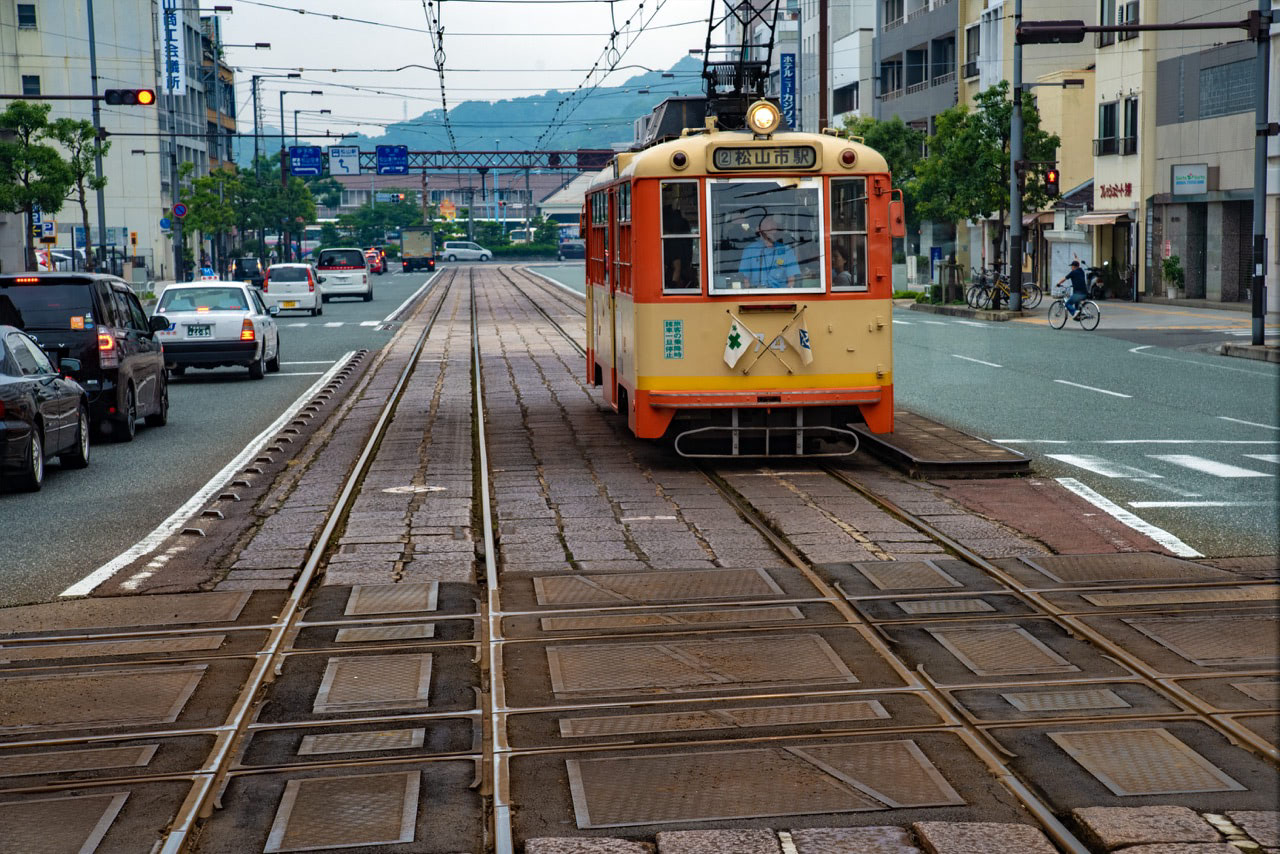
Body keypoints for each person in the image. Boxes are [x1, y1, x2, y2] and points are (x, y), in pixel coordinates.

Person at [738, 215, 800, 288]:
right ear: (758, 229)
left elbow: (791, 280)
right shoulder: (750, 250)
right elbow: (745, 279)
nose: (771, 224)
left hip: (780, 294)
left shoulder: (786, 250)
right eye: (766, 222)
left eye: (772, 221)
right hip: (756, 294)